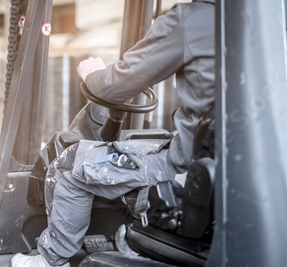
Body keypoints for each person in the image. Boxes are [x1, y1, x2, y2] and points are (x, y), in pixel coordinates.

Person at [12, 0, 215, 266]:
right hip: (227, 168)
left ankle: (51, 259)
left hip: (187, 169)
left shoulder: (193, 19)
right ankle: (126, 236)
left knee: (72, 164)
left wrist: (94, 76)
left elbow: (119, 84)